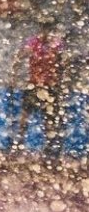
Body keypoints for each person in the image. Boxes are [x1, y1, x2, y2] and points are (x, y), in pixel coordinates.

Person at [9, 19, 67, 158]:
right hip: (34, 84)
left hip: (49, 86)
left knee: (48, 119)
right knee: (25, 116)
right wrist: (14, 75)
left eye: (48, 29)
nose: (45, 33)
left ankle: (48, 148)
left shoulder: (57, 44)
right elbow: (20, 57)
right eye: (43, 29)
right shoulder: (34, 42)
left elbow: (63, 64)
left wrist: (60, 81)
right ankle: (19, 144)